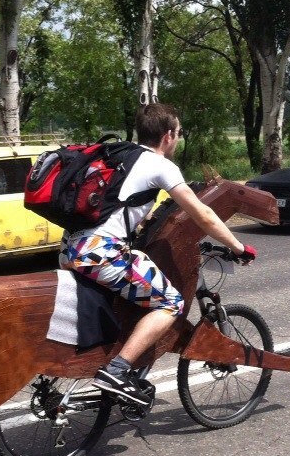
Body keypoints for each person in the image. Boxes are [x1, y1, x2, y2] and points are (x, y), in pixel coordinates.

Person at [59, 103, 256, 406]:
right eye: (178, 133)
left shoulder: (120, 154)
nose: (178, 139)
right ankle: (116, 371)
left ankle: (120, 360)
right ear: (168, 135)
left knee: (136, 294)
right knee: (170, 302)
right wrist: (237, 247)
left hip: (70, 248)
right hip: (101, 253)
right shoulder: (159, 165)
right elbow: (202, 214)